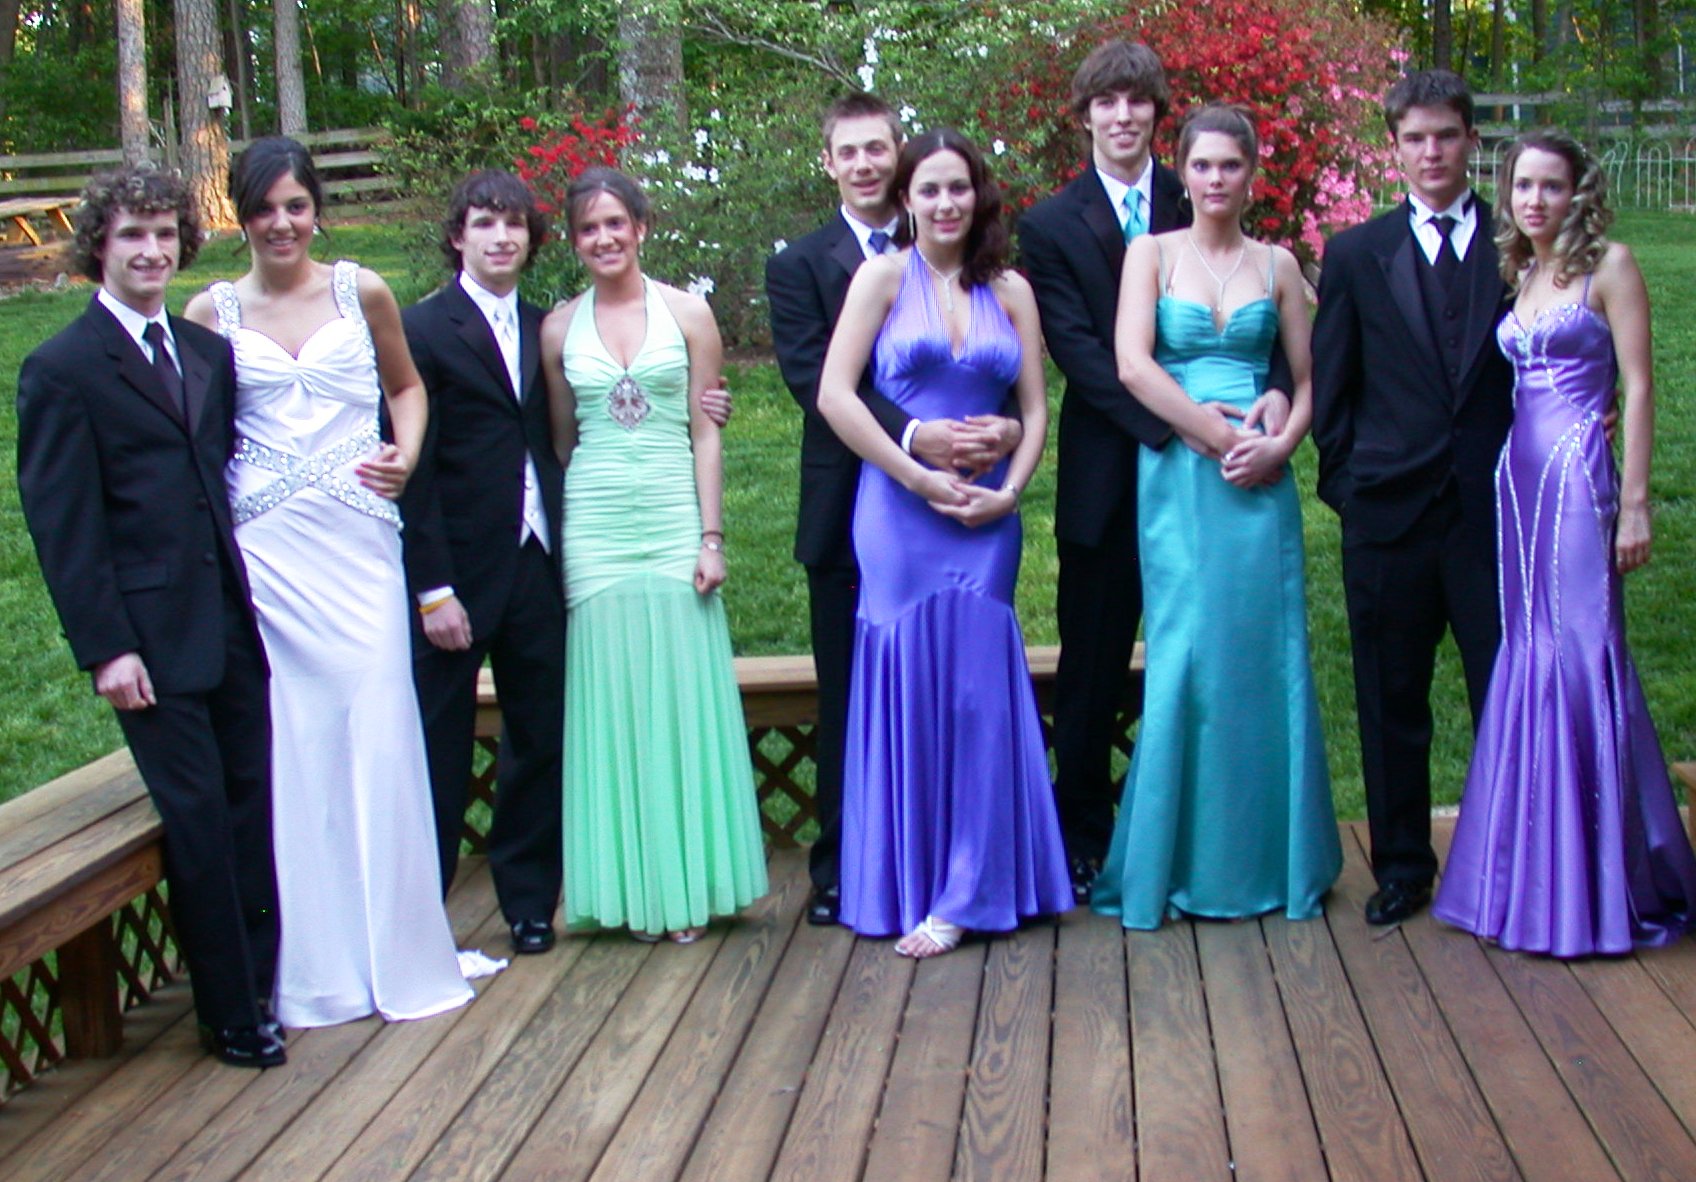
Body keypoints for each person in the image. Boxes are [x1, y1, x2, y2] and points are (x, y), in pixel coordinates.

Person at [185, 137, 475, 1027]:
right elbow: (196, 435)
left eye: (296, 206)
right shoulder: (210, 311)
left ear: (317, 211)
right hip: (269, 552)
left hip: (360, 542)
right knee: (297, 748)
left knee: (380, 730)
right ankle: (319, 968)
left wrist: (405, 454)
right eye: (263, 209)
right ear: (241, 216)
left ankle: (400, 948)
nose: (281, 224)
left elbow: (408, 388)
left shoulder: (362, 291)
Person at [16, 167, 284, 1067]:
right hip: (150, 644)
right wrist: (108, 649)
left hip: (229, 623)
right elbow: (65, 526)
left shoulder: (206, 353)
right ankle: (230, 1014)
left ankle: (264, 984)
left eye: (165, 234)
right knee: (199, 823)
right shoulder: (62, 369)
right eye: (132, 234)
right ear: (99, 242)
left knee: (249, 807)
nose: (151, 250)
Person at [1018, 42, 1290, 904]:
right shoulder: (1049, 225)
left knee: (1210, 654)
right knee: (1093, 668)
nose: (1123, 116)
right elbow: (1083, 353)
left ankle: (1202, 837)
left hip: (1217, 485)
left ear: (1158, 114)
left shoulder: (1202, 185)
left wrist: (1275, 399)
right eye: (1106, 102)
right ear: (1084, 116)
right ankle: (1086, 838)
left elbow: (1275, 330)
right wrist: (1181, 428)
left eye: (1137, 100)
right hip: (1115, 471)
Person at [1432, 130, 1696, 956]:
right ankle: (1531, 875)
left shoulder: (1610, 265)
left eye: (1551, 185)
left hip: (1581, 480)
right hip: (1519, 482)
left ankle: (1602, 883)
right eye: (1522, 186)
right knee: (1530, 652)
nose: (1535, 200)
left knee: (1584, 649)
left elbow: (1640, 385)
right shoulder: (1522, 273)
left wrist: (1635, 504)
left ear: (1578, 191)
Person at [766, 93, 1020, 926]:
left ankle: (965, 868)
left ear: (897, 157)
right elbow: (817, 383)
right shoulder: (806, 265)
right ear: (829, 162)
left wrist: (1004, 434)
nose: (865, 163)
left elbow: (1012, 382)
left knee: (964, 687)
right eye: (850, 151)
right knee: (860, 691)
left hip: (971, 507)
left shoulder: (983, 272)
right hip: (864, 502)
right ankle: (853, 870)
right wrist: (916, 442)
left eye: (878, 147)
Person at [818, 128, 1072, 958]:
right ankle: (907, 879)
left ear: (979, 193)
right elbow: (836, 396)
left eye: (958, 187)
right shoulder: (882, 278)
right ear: (906, 199)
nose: (945, 203)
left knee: (976, 696)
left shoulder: (1013, 290)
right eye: (928, 189)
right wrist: (917, 474)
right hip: (899, 515)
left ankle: (971, 887)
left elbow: (1034, 410)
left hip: (986, 522)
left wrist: (1011, 488)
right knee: (907, 681)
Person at [1090, 105, 1340, 928]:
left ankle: (1270, 860)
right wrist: (1214, 436)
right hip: (1181, 476)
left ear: (1252, 173)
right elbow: (1132, 365)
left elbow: (1307, 378)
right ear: (1182, 172)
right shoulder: (1151, 254)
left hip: (1260, 485)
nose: (1216, 179)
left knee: (1263, 659)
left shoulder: (1278, 264)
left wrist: (1280, 444)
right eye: (1201, 165)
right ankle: (1172, 861)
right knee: (1187, 655)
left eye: (1231, 165)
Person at [1311, 71, 1517, 926]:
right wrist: (1351, 488)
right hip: (1388, 514)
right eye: (1415, 139)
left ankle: (1511, 862)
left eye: (1446, 135)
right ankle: (1401, 866)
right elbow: (1332, 385)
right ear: (1394, 148)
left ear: (1471, 140)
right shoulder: (1357, 254)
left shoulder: (1516, 245)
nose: (1432, 152)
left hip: (1493, 514)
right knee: (1389, 695)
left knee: (1504, 692)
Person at [541, 167, 767, 944]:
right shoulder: (557, 329)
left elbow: (707, 431)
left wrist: (711, 537)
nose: (604, 238)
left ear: (641, 227)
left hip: (674, 515)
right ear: (574, 241)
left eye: (616, 223)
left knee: (679, 698)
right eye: (588, 228)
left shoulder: (688, 313)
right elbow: (564, 441)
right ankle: (631, 891)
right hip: (596, 523)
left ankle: (689, 888)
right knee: (611, 704)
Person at [399, 170, 567, 956]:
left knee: (538, 738)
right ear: (457, 237)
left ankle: (528, 902)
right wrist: (432, 589)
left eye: (514, 225)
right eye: (484, 224)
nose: (502, 237)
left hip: (537, 560)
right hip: (457, 573)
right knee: (438, 745)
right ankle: (420, 916)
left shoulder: (549, 327)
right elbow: (414, 469)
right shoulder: (421, 330)